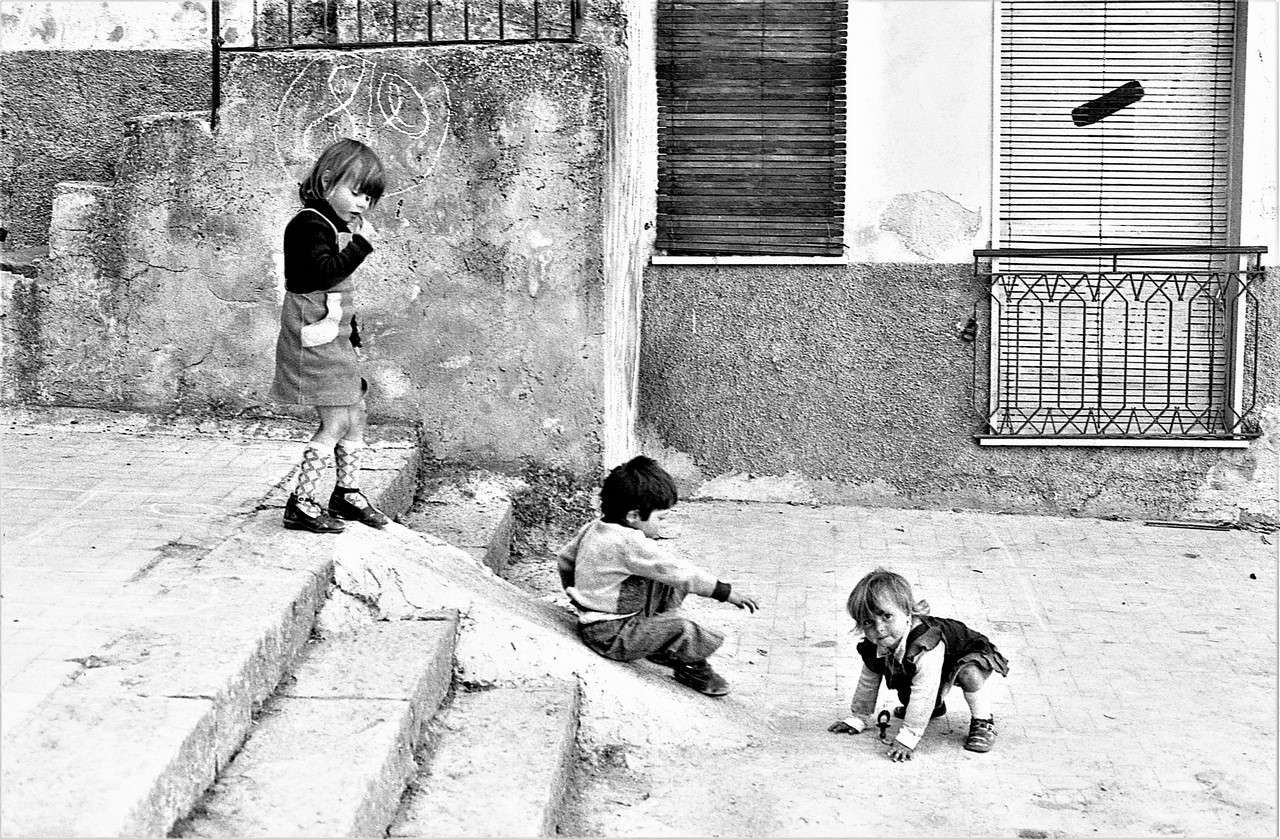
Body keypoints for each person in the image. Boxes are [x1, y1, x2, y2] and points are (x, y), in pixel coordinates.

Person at [556, 456, 761, 696]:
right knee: (682, 627)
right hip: (612, 635)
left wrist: (581, 597)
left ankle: (656, 637)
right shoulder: (628, 543)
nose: (661, 525)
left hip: (602, 621)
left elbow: (565, 560)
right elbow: (677, 571)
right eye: (660, 518)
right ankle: (690, 666)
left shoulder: (595, 527)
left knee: (668, 580)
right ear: (633, 516)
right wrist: (724, 592)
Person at [269, 138, 390, 533]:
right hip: (313, 340)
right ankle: (301, 502)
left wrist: (351, 336)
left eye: (369, 198)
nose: (362, 204)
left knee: (356, 415)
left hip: (333, 339)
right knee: (336, 420)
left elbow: (337, 294)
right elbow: (322, 275)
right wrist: (362, 245)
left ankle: (346, 493)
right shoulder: (307, 225)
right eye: (356, 193)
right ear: (326, 182)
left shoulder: (333, 226)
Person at [828, 568, 1008, 757]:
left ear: (907, 613)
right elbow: (868, 681)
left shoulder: (926, 644)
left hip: (966, 652)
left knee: (968, 674)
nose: (879, 628)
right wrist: (858, 718)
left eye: (886, 616)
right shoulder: (876, 643)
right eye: (868, 622)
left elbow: (923, 692)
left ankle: (983, 721)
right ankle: (935, 707)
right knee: (907, 686)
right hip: (932, 664)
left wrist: (907, 738)